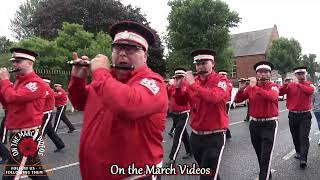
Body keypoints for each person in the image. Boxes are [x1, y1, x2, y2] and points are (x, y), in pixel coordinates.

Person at [68, 20, 168, 180]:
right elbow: (80, 103)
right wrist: (78, 80)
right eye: (117, 47)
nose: (122, 53)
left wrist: (100, 72)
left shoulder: (153, 82)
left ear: (145, 55)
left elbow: (127, 105)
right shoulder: (106, 80)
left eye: (130, 49)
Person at [173, 49, 230, 180]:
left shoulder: (221, 80)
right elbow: (182, 102)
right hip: (196, 136)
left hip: (214, 136)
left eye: (204, 63)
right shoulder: (193, 81)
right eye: (198, 64)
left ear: (213, 63)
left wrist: (193, 84)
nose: (200, 66)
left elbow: (214, 97)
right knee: (209, 172)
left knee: (207, 176)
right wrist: (178, 87)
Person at [0, 47, 49, 179]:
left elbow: (14, 98)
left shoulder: (36, 83)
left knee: (11, 175)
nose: (14, 64)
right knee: (35, 172)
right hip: (17, 133)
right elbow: (8, 104)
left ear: (30, 63)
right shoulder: (18, 82)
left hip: (26, 134)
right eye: (13, 61)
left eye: (18, 61)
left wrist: (5, 81)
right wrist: (1, 86)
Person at [234, 61, 279, 180]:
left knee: (266, 155)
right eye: (260, 72)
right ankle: (267, 174)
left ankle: (263, 177)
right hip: (254, 124)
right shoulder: (250, 88)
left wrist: (255, 88)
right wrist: (240, 89)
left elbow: (272, 97)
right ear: (256, 74)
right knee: (260, 153)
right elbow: (237, 100)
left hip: (269, 124)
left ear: (270, 74)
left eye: (266, 72)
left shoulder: (273, 86)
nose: (263, 74)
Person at [279, 66, 315, 169]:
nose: (301, 75)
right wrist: (286, 83)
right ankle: (298, 152)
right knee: (295, 136)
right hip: (293, 114)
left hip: (305, 115)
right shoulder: (290, 85)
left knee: (304, 137)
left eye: (303, 73)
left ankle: (303, 158)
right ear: (295, 75)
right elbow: (280, 93)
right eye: (299, 74)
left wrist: (298, 84)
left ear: (305, 74)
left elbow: (310, 91)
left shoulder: (309, 84)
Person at [165, 68, 192, 166]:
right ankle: (190, 151)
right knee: (183, 134)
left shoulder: (187, 86)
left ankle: (172, 158)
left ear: (184, 77)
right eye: (177, 76)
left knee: (177, 136)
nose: (178, 79)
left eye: (180, 76)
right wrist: (169, 85)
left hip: (184, 113)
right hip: (174, 114)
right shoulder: (171, 86)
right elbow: (168, 96)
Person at [42, 78, 65, 152]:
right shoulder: (46, 90)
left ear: (46, 83)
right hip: (44, 114)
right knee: (50, 131)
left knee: (40, 133)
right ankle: (60, 144)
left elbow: (41, 97)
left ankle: (32, 153)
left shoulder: (48, 90)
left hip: (46, 113)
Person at [218, 70, 233, 139]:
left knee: (224, 117)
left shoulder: (229, 83)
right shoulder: (217, 82)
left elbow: (227, 90)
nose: (222, 76)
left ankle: (226, 133)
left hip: (226, 103)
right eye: (221, 75)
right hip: (219, 103)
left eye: (224, 74)